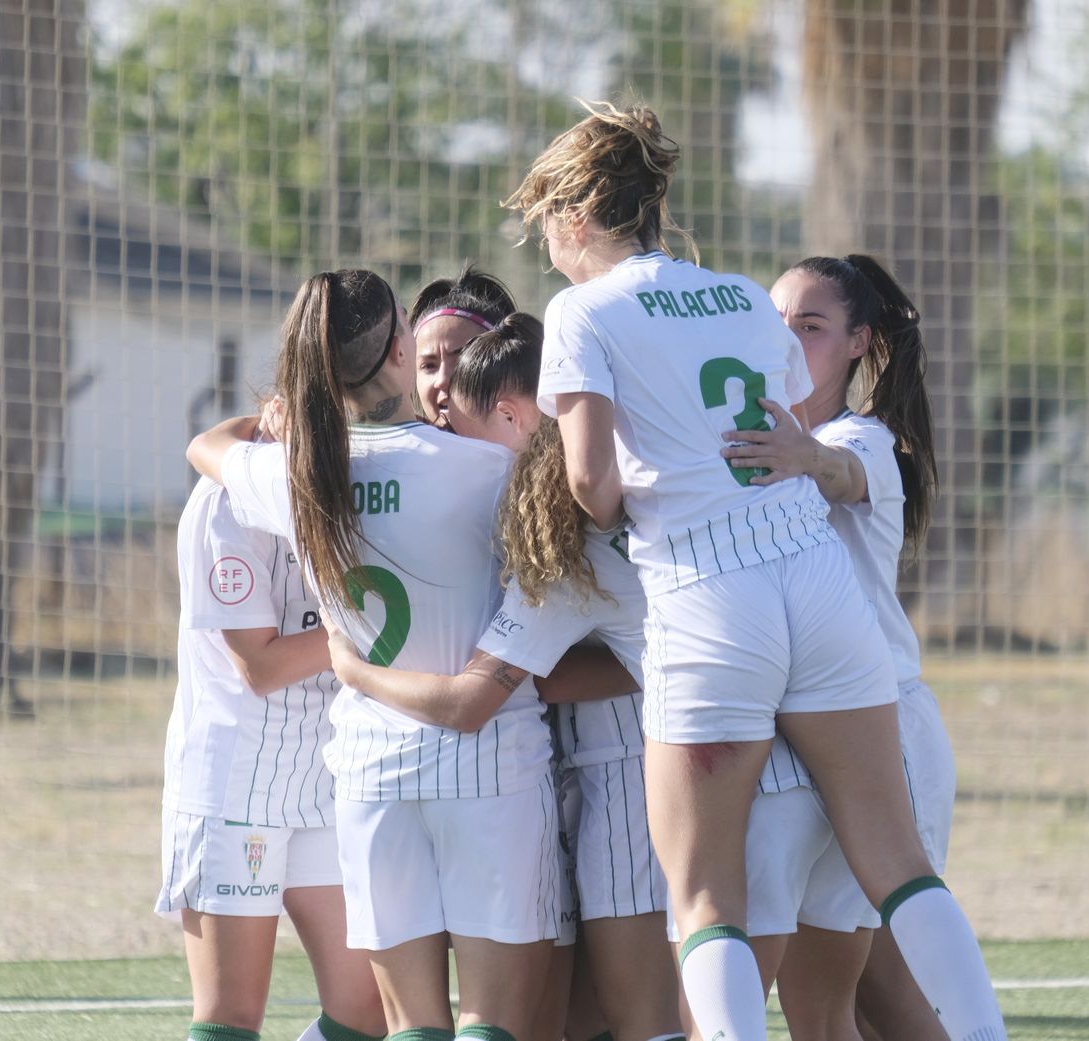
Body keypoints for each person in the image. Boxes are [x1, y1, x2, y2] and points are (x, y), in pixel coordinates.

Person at [503, 100, 1005, 1041]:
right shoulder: (736, 291)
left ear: (576, 213)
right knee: (900, 866)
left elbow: (591, 485)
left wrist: (610, 504)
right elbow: (773, 427)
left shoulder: (581, 309)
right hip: (815, 582)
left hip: (705, 593)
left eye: (546, 227)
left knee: (703, 897)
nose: (550, 251)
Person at [187, 269, 558, 1041]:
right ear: (401, 348)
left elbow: (207, 445)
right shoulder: (490, 468)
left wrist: (275, 418)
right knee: (492, 1021)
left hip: (369, 772)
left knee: (413, 1025)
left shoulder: (299, 478)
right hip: (487, 764)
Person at [327, 315, 684, 1041]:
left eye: (462, 422)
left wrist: (355, 670)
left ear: (518, 413)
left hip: (654, 764)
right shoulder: (630, 475)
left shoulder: (561, 547)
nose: (450, 439)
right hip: (746, 734)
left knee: (652, 1020)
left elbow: (471, 700)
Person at [726, 255, 957, 1041]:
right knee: (825, 1004)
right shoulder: (754, 437)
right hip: (803, 738)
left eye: (812, 326)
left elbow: (841, 471)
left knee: (886, 993)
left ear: (859, 342)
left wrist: (805, 457)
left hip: (881, 731)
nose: (787, 339)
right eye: (777, 321)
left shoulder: (859, 438)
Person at [158, 474, 385, 1041]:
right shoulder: (228, 498)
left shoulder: (372, 476)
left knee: (368, 1011)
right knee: (232, 1016)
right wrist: (377, 626)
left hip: (327, 772)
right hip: (237, 779)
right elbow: (260, 667)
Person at [410, 265, 518, 429]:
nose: (443, 380)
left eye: (461, 361)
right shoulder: (395, 453)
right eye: (429, 366)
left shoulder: (553, 451)